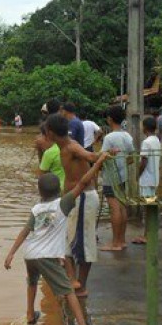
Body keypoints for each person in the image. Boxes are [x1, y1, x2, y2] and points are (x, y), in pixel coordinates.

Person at [3, 160, 109, 325]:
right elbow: (83, 183)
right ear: (59, 188)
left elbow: (25, 231)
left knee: (32, 282)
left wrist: (11, 253)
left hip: (30, 254)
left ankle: (30, 314)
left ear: (39, 191)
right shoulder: (64, 203)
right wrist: (98, 162)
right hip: (47, 256)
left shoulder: (36, 209)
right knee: (68, 291)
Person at [45, 114, 101, 295]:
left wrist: (101, 156)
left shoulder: (71, 146)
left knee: (84, 244)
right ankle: (73, 280)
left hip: (83, 198)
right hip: (72, 200)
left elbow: (90, 156)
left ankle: (80, 285)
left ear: (51, 133)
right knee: (65, 240)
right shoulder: (64, 147)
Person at [100, 105, 134, 250]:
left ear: (110, 119)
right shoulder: (127, 135)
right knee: (122, 207)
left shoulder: (109, 138)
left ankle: (115, 243)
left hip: (110, 178)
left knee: (114, 209)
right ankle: (122, 240)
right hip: (123, 176)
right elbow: (131, 157)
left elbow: (102, 157)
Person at [132, 116, 162, 244]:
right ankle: (150, 234)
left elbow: (144, 160)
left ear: (144, 127)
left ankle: (147, 235)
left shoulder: (146, 142)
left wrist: (136, 175)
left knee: (148, 208)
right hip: (154, 179)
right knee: (151, 207)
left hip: (146, 180)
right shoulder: (156, 140)